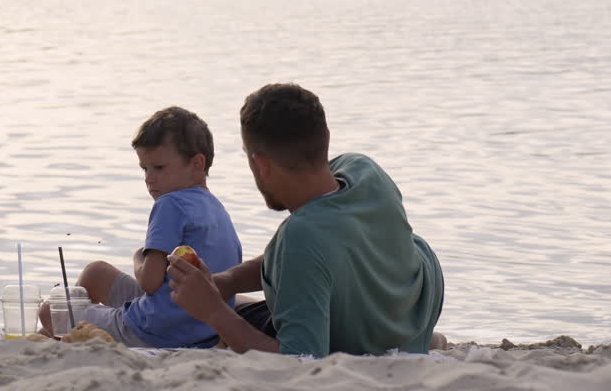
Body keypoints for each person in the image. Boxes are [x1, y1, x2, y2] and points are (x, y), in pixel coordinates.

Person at [167, 83, 445, 358]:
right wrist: (228, 281)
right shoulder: (362, 169)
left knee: (242, 316)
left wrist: (214, 312)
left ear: (260, 164)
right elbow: (318, 250)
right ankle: (424, 339)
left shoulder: (298, 237)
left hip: (365, 341)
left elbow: (299, 359)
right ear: (324, 139)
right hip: (413, 308)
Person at [42, 106, 242, 347]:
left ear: (197, 164)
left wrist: (139, 256)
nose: (149, 178)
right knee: (96, 273)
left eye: (159, 168)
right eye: (145, 168)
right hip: (204, 332)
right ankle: (69, 334)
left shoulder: (170, 204)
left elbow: (149, 282)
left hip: (154, 331)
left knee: (51, 310)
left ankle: (60, 338)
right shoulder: (218, 209)